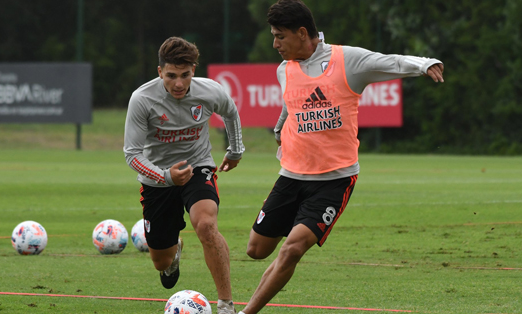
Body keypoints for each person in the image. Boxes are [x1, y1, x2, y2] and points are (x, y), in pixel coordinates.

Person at [237, 1, 444, 313]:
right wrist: (280, 126)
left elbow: (388, 61)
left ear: (302, 33)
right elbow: (292, 103)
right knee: (256, 250)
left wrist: (425, 63)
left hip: (334, 181)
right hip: (291, 176)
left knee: (292, 249)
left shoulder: (346, 61)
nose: (275, 44)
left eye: (280, 36)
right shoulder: (284, 69)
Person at [124, 36, 244, 314]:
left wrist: (236, 150)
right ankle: (174, 250)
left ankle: (226, 304)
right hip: (157, 178)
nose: (178, 83)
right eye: (171, 76)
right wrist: (166, 176)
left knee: (206, 225)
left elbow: (231, 112)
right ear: (159, 72)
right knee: (161, 263)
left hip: (197, 166)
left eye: (185, 75)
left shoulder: (210, 91)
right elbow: (132, 154)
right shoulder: (142, 99)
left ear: (194, 70)